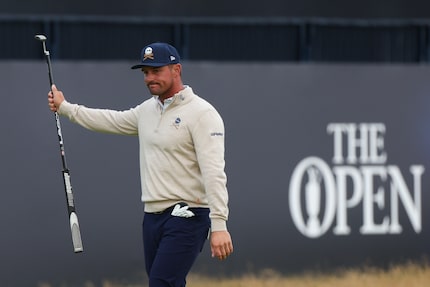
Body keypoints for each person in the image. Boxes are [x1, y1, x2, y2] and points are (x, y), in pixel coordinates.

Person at [47, 42, 233, 287]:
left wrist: (219, 224)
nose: (149, 78)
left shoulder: (202, 113)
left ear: (176, 69)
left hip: (187, 215)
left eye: (156, 71)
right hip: (152, 218)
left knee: (161, 283)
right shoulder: (147, 111)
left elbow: (214, 172)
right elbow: (110, 120)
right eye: (146, 72)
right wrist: (66, 108)